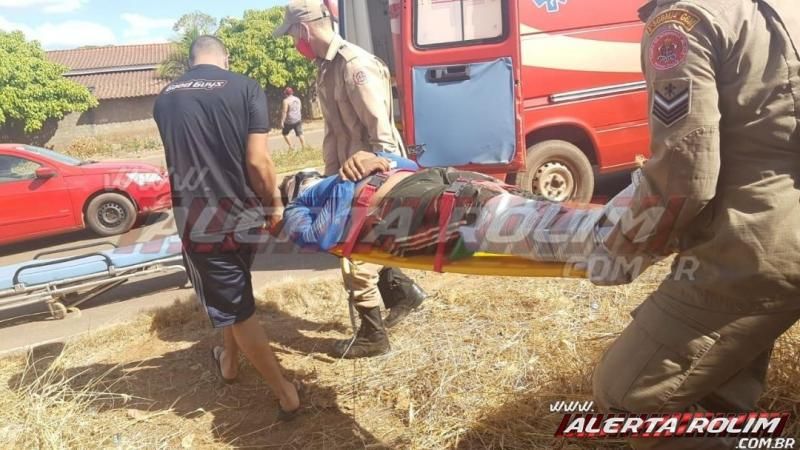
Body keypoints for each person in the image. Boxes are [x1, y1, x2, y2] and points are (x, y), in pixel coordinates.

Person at [588, 1, 800, 448]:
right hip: (774, 237)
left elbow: (684, 176)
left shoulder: (683, 22)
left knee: (627, 398)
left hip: (754, 248)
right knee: (717, 382)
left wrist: (620, 250)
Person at [153, 36, 300, 421]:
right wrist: (273, 204)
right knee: (236, 294)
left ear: (190, 61)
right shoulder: (245, 86)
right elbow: (257, 161)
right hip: (245, 215)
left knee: (236, 304)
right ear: (225, 58)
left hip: (201, 222)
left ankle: (286, 394)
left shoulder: (165, 98)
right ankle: (230, 363)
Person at [274, 0, 426, 358]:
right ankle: (405, 294)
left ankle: (374, 338)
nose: (294, 42)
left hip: (374, 175)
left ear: (304, 30)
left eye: (293, 34)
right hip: (347, 177)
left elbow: (382, 134)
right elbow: (334, 133)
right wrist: (329, 183)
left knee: (356, 257)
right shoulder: (325, 70)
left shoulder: (355, 66)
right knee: (365, 245)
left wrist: (378, 181)